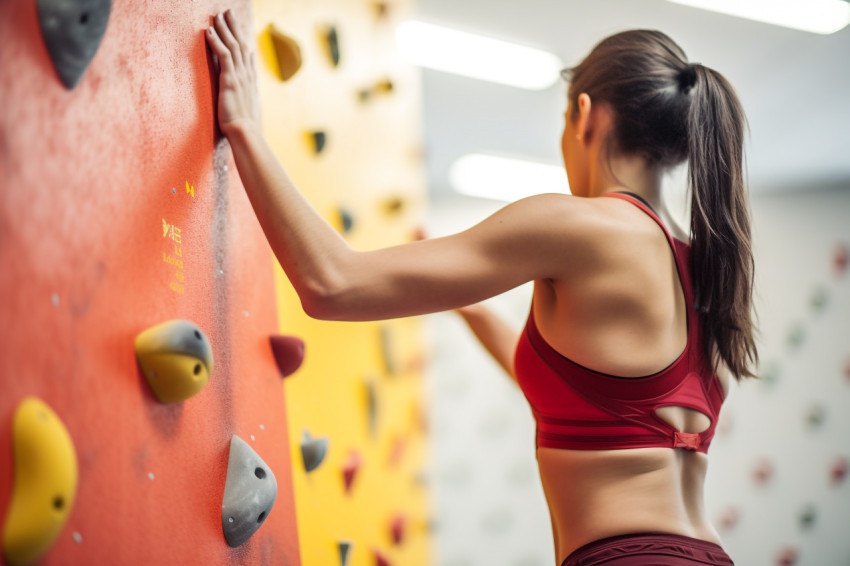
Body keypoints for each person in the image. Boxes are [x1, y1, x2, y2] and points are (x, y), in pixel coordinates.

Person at [206, 10, 757, 565]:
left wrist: (247, 129)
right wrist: (464, 304)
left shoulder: (578, 225)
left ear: (582, 115)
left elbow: (333, 283)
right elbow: (575, 392)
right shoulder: (705, 267)